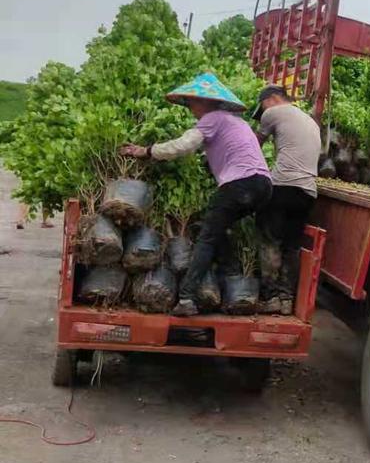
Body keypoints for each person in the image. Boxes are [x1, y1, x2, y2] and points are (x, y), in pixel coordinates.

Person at [121, 72, 272, 317]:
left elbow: (183, 145)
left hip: (239, 184)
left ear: (205, 102)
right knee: (220, 228)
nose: (190, 107)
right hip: (263, 185)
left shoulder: (211, 119)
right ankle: (230, 273)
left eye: (191, 102)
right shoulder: (236, 122)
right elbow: (225, 150)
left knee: (207, 237)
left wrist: (147, 151)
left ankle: (187, 298)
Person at [253, 86, 321, 315]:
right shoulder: (310, 121)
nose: (262, 113)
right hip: (307, 192)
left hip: (283, 187)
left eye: (261, 107)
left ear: (271, 99)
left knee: (270, 239)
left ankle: (270, 296)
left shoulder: (273, 113)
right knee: (291, 246)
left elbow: (252, 146)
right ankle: (286, 299)